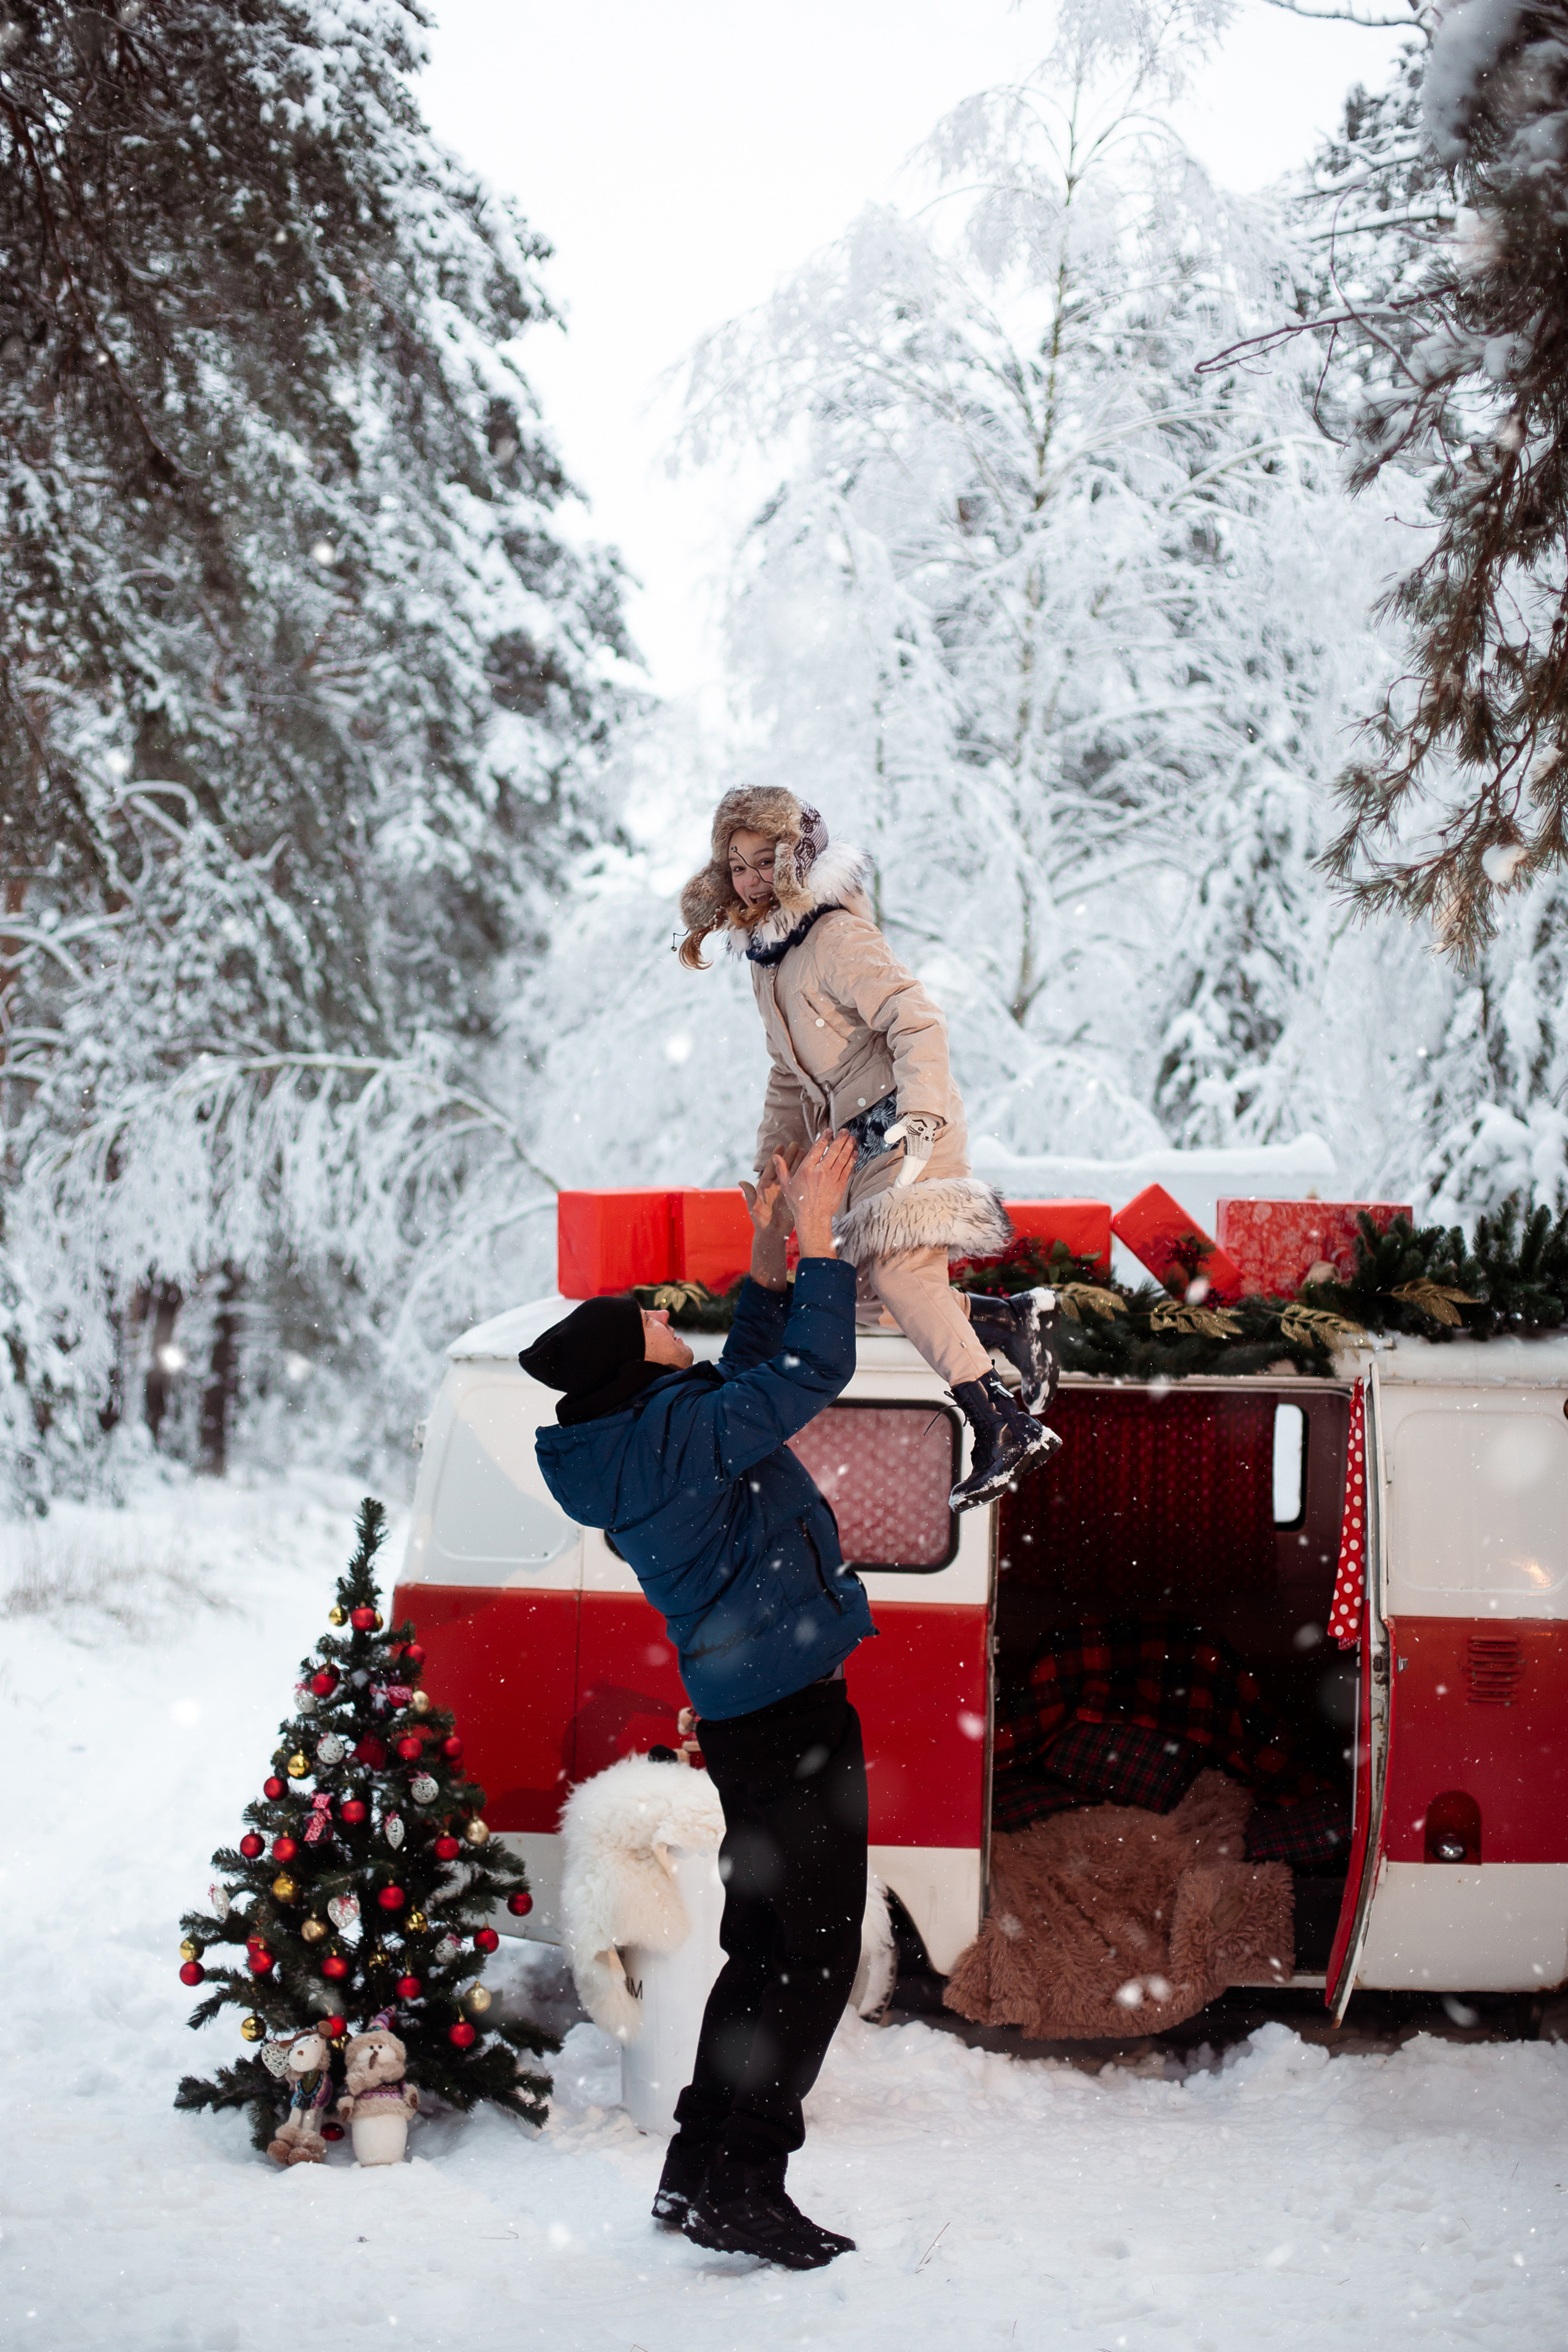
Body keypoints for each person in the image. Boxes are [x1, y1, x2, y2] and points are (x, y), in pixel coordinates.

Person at [522, 1133, 872, 2271]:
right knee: (809, 1961)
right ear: (641, 1369)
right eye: (659, 1327)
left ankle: (696, 2176)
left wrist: (771, 1247)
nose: (680, 1326)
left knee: (767, 1951)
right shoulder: (673, 1439)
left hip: (754, 1717)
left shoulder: (646, 1438)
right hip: (788, 1719)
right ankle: (746, 2184)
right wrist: (817, 1237)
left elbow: (751, 1370)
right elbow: (810, 1375)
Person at [678, 785, 1059, 1509]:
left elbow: (917, 1023)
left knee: (903, 1276)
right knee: (854, 1294)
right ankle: (1010, 1320)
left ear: (798, 861)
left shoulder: (835, 937)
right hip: (855, 1145)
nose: (752, 880)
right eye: (737, 866)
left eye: (767, 861)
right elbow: (788, 1078)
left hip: (910, 1128)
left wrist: (919, 1117)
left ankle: (1003, 1427)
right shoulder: (769, 960)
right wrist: (774, 1165)